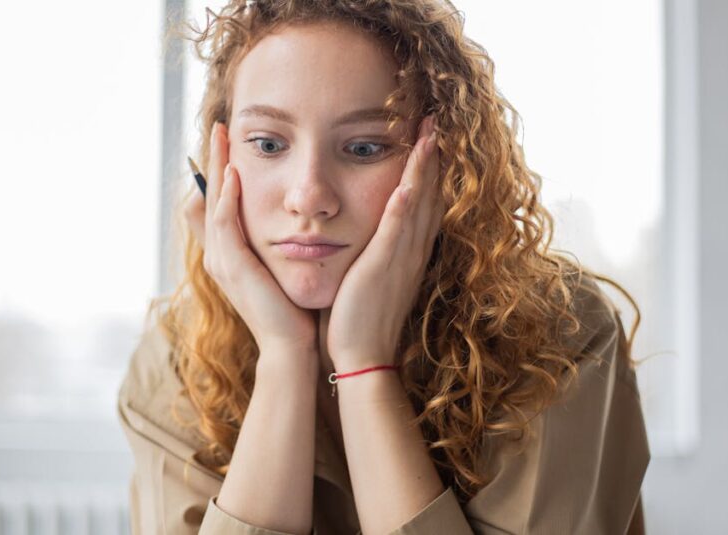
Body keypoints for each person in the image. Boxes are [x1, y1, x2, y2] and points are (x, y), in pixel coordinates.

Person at [117, 0, 651, 533]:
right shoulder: (174, 365)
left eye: (364, 146)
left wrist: (364, 368)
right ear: (218, 164)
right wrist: (284, 357)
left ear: (444, 167)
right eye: (268, 144)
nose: (309, 197)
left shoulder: (560, 338)